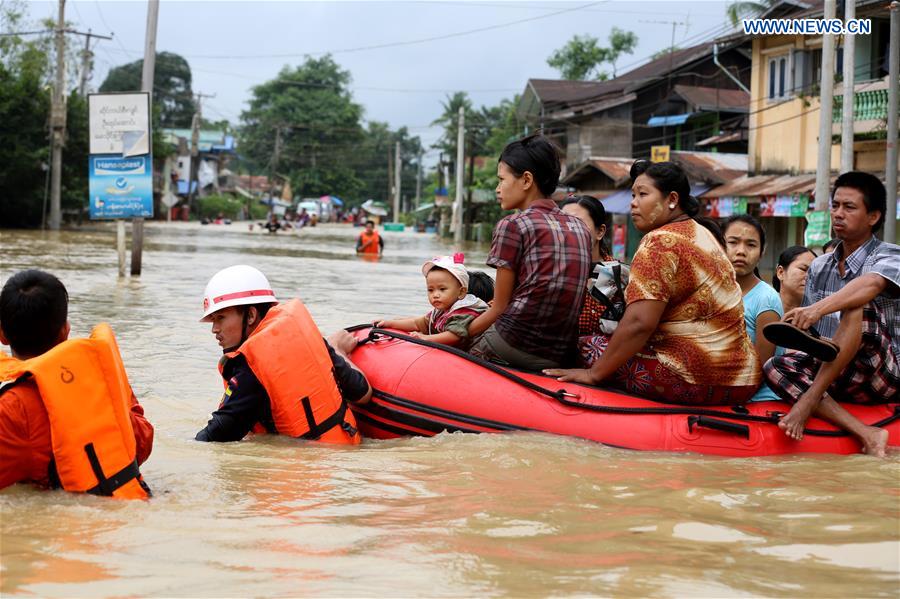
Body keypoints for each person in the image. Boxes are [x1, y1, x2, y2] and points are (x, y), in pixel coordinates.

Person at [546, 161, 761, 405]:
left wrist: (594, 374)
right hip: (744, 380)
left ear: (671, 199)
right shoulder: (703, 233)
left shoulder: (659, 241)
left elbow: (639, 323)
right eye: (633, 194)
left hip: (694, 379)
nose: (633, 202)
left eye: (643, 194)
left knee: (588, 343)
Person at [763, 171, 899, 455]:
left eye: (849, 207)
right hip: (837, 372)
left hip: (882, 375)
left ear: (873, 216)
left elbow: (871, 284)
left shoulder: (891, 255)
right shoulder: (820, 266)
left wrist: (815, 309)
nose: (838, 214)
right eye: (835, 205)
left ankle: (810, 399)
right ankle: (866, 433)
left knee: (857, 304)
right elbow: (817, 336)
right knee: (775, 367)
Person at [0, 270, 153, 498]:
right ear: (66, 331)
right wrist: (118, 385)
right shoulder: (98, 382)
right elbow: (142, 442)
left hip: (63, 522)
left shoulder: (12, 409)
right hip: (126, 509)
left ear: (2, 334)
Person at [196, 265, 371, 444]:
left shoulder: (251, 372)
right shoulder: (309, 339)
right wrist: (338, 349)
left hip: (304, 466)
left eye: (220, 318)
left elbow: (211, 439)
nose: (214, 329)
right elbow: (363, 393)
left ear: (250, 315)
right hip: (343, 451)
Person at [467, 134, 592, 370]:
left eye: (501, 180)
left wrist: (449, 333)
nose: (497, 188)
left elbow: (499, 308)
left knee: (455, 339)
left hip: (512, 343)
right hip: (562, 354)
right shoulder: (581, 227)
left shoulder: (512, 225)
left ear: (526, 180)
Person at [723, 215, 783, 402]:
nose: (741, 251)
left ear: (761, 252)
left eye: (751, 245)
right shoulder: (711, 290)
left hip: (754, 399)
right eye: (733, 242)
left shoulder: (766, 298)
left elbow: (758, 369)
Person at [377, 255, 489, 349]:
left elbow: (454, 336)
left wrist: (425, 338)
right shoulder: (441, 311)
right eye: (430, 290)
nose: (435, 295)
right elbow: (417, 323)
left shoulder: (463, 311)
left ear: (461, 292)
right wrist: (389, 323)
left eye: (442, 289)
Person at [559, 195, 625, 343]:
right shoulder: (549, 272)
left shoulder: (621, 277)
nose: (567, 232)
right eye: (562, 225)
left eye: (577, 224)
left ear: (600, 232)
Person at [773, 246, 817, 316]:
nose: (810, 277)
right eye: (803, 269)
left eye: (815, 273)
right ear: (781, 272)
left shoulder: (820, 315)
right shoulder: (763, 306)